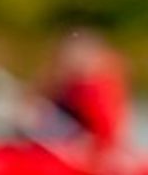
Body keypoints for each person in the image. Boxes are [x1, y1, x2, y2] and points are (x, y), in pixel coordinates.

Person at [30, 30, 132, 166]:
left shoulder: (93, 89)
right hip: (56, 148)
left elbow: (106, 131)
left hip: (80, 154)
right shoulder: (61, 84)